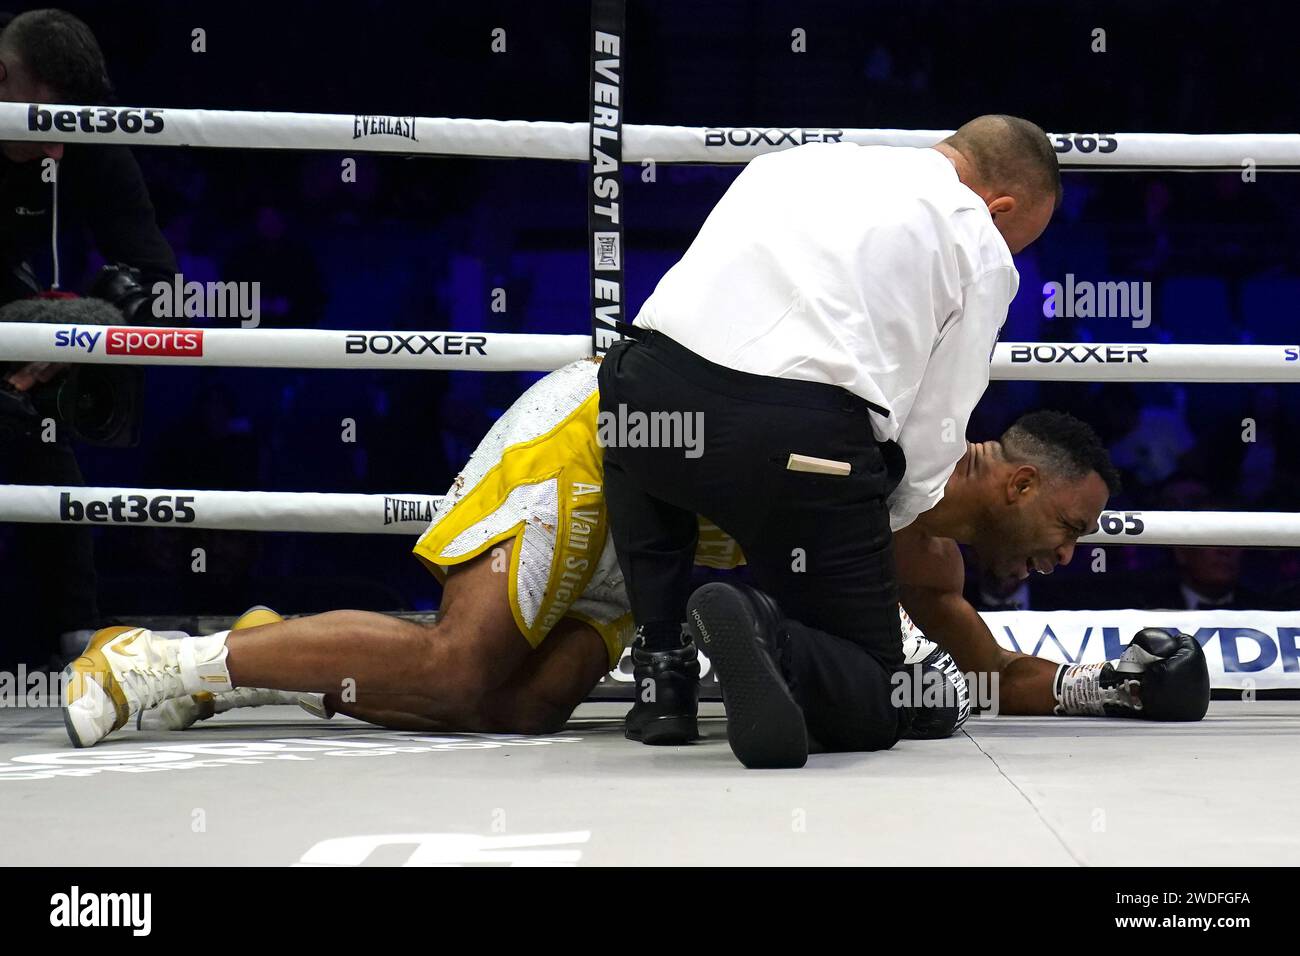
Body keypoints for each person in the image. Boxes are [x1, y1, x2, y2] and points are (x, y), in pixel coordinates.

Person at [61, 360, 1210, 750]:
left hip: (648, 540)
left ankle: (280, 653)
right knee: (463, 666)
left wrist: (1111, 685)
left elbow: (980, 669)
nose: (1066, 553)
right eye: (1065, 526)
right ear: (1015, 481)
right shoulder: (901, 441)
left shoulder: (933, 560)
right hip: (600, 449)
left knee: (519, 712)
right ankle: (164, 659)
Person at [597, 115, 1059, 768]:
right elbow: (936, 426)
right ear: (999, 205)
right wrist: (882, 524)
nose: (1010, 251)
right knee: (873, 693)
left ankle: (663, 677)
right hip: (797, 441)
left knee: (636, 427)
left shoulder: (792, 162)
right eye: (1018, 238)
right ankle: (766, 634)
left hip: (645, 392)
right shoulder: (976, 238)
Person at [0, 8, 176, 666]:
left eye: (67, 128)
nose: (56, 151)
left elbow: (156, 281)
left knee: (38, 428)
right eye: (43, 125)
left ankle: (78, 643)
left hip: (19, 326)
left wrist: (74, 333)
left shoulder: (87, 140)